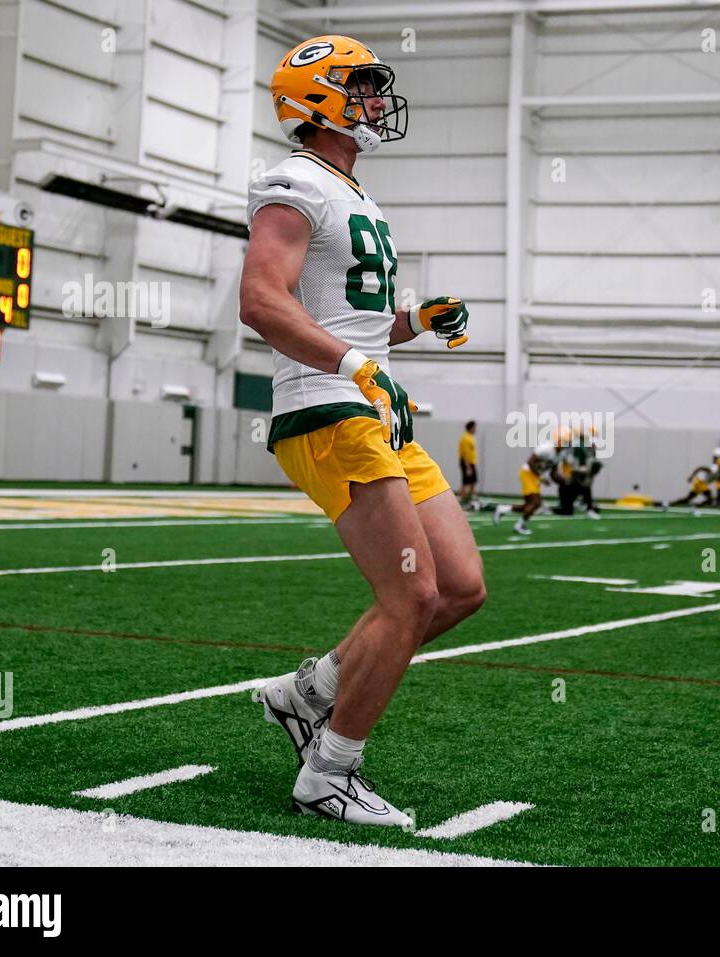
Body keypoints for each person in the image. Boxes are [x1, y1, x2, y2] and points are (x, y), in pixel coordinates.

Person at [240, 35, 484, 826]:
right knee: (411, 593)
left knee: (459, 588)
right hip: (326, 406)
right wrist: (355, 367)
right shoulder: (294, 183)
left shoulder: (353, 191)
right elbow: (262, 301)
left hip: (369, 402)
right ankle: (329, 771)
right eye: (363, 86)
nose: (378, 100)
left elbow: (361, 326)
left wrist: (412, 321)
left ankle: (308, 692)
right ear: (316, 99)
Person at [457, 420, 480, 509]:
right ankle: (459, 500)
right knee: (466, 483)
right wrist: (468, 467)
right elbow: (465, 453)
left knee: (473, 482)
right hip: (467, 463)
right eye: (474, 427)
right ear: (470, 427)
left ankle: (469, 500)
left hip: (471, 463)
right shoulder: (465, 438)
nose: (475, 429)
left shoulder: (471, 437)